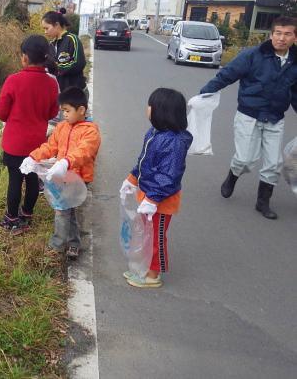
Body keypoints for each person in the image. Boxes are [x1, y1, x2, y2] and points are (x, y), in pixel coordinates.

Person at [199, 16, 297, 220]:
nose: (281, 38)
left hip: (275, 118)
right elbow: (227, 75)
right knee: (245, 160)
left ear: (294, 37)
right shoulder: (253, 55)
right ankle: (232, 177)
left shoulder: (295, 62)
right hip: (248, 115)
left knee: (273, 163)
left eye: (287, 34)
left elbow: (295, 93)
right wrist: (203, 95)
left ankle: (263, 203)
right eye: (278, 33)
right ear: (271, 35)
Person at [119, 88, 193, 288]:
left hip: (161, 200)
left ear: (161, 111)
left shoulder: (175, 142)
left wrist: (153, 199)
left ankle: (152, 275)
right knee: (145, 233)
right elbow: (145, 162)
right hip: (148, 195)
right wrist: (132, 178)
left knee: (156, 238)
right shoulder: (154, 133)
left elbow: (169, 176)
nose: (147, 109)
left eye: (150, 105)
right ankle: (144, 268)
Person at [22, 87, 101, 260]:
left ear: (81, 110)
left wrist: (66, 162)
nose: (64, 114)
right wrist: (33, 157)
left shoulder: (90, 131)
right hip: (62, 177)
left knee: (62, 209)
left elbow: (84, 151)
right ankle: (73, 243)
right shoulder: (62, 127)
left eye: (67, 110)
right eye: (62, 111)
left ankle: (56, 246)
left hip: (78, 178)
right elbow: (51, 147)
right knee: (68, 210)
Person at [0, 35, 59, 234]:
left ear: (24, 57)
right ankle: (27, 214)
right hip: (38, 144)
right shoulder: (51, 84)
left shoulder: (13, 80)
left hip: (14, 144)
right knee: (32, 179)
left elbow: (2, 113)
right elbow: (52, 113)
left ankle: (12, 220)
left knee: (15, 180)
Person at [42, 10, 87, 92]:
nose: (45, 32)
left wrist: (57, 67)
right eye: (44, 29)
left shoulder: (72, 39)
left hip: (74, 91)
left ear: (56, 25)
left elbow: (79, 63)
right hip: (59, 91)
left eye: (47, 28)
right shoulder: (51, 44)